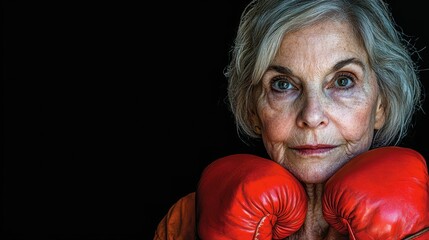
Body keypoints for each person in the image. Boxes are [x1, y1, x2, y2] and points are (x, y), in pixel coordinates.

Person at [154, 0, 429, 239]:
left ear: (381, 104)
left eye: (343, 81)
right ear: (253, 109)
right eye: (283, 85)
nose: (311, 116)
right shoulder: (192, 218)